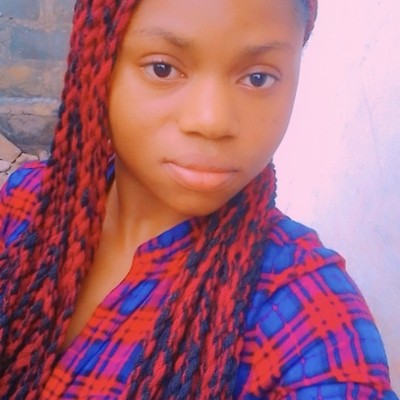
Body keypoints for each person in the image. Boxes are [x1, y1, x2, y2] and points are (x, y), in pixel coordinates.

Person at [0, 0, 397, 398]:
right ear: (96, 61)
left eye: (258, 77)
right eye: (162, 68)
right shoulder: (25, 206)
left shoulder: (304, 310)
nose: (212, 121)